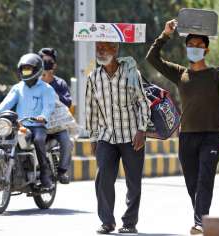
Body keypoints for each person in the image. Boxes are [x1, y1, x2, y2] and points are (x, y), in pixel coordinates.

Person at [146, 19, 219, 234]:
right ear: (186, 48)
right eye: (191, 45)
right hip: (186, 138)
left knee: (205, 179)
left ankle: (200, 222)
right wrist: (165, 35)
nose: (194, 48)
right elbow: (152, 59)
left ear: (207, 50)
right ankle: (201, 217)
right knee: (192, 182)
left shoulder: (217, 77)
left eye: (199, 46)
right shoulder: (180, 73)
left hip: (210, 137)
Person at [85, 41, 151, 234]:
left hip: (132, 136)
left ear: (115, 50)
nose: (100, 51)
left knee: (133, 182)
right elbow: (91, 109)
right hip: (106, 137)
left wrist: (141, 130)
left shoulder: (131, 73)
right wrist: (93, 137)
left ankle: (129, 223)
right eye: (97, 47)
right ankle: (107, 221)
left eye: (104, 47)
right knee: (103, 178)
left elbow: (143, 102)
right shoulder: (93, 77)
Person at [0, 53, 57, 189]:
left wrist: (43, 116)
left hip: (38, 125)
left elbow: (48, 106)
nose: (25, 72)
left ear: (37, 70)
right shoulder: (18, 88)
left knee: (38, 140)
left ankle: (45, 173)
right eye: (24, 69)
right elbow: (7, 103)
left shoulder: (46, 89)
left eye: (29, 69)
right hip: (20, 125)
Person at [39, 47, 73, 184]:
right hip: (37, 124)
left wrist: (50, 90)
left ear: (54, 65)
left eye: (49, 62)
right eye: (42, 61)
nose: (46, 64)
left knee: (67, 142)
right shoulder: (32, 82)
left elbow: (68, 102)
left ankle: (62, 171)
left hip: (57, 125)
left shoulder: (60, 83)